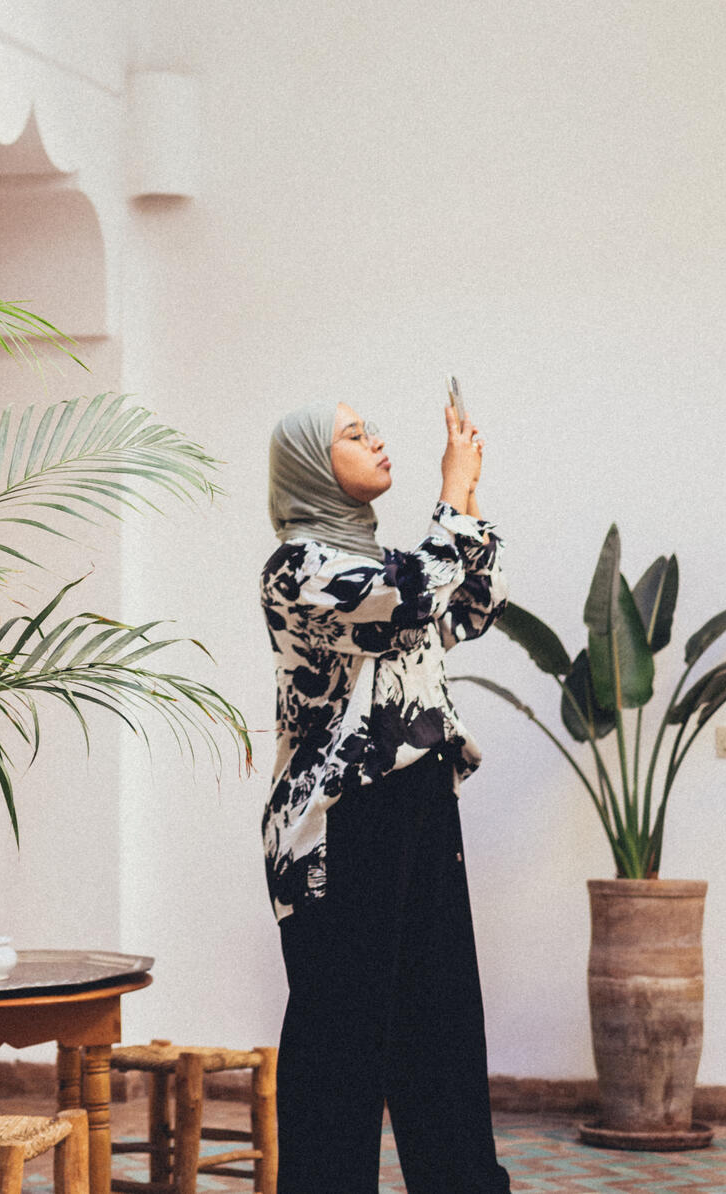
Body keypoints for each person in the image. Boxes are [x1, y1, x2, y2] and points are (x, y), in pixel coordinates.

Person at [259, 399, 511, 1193]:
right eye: (352, 434)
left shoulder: (391, 562)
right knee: (341, 1044)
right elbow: (407, 601)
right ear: (311, 465)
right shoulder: (297, 568)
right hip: (343, 820)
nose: (375, 440)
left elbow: (471, 608)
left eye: (370, 428)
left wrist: (468, 498)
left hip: (421, 800)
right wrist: (450, 491)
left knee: (442, 1027)